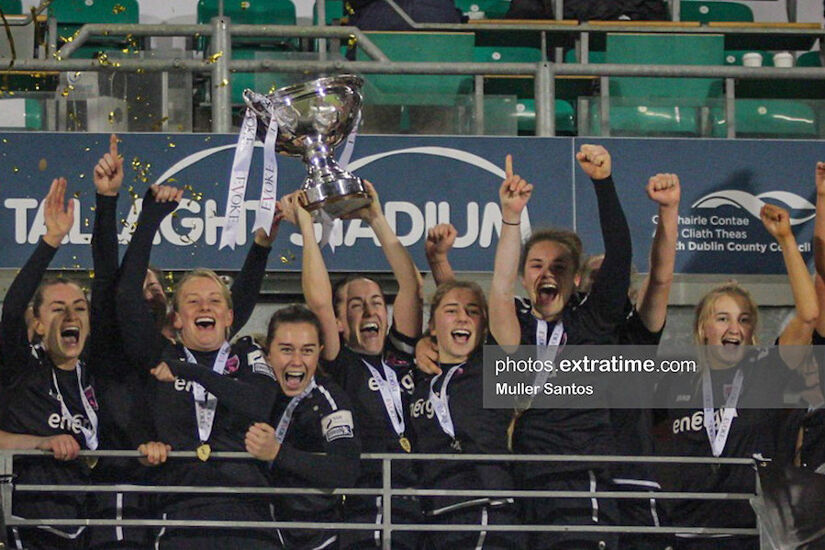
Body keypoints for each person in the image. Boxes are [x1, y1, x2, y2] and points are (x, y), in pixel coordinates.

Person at [115, 184, 280, 550]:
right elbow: (126, 296)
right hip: (180, 518)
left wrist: (189, 371)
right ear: (176, 318)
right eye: (193, 301)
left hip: (250, 518)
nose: (204, 307)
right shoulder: (160, 357)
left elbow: (258, 405)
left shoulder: (248, 354)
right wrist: (150, 219)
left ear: (229, 317)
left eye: (213, 301)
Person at [489, 146, 631, 549]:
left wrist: (603, 184)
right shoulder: (517, 325)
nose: (547, 274)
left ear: (574, 279)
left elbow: (620, 253)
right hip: (526, 478)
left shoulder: (594, 319)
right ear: (523, 277)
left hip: (581, 476)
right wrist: (511, 218)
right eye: (536, 265)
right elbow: (498, 288)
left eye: (559, 267)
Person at [662, 204, 818, 550]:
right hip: (686, 533)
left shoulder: (766, 371)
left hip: (751, 533)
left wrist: (787, 239)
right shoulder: (676, 380)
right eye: (723, 318)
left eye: (744, 320)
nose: (735, 328)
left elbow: (808, 316)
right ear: (703, 328)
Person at [284, 183, 423, 549]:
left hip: (420, 499)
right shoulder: (340, 361)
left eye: (377, 302)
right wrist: (307, 231)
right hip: (368, 500)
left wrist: (376, 218)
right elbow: (318, 303)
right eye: (357, 304)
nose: (370, 310)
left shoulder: (402, 353)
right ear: (341, 321)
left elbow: (411, 286)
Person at [585, 173, 680, 550]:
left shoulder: (636, 334)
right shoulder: (566, 336)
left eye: (611, 275)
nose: (603, 282)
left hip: (633, 484)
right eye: (594, 276)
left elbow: (660, 278)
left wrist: (668, 210)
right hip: (580, 485)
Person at [410, 280, 523, 549]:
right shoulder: (418, 378)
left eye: (473, 311)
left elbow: (503, 288)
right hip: (434, 515)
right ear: (433, 326)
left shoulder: (493, 369)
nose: (462, 317)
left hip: (485, 507)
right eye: (451, 310)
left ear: (484, 326)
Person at [245, 305, 361, 549]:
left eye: (307, 351)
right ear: (268, 353)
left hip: (317, 538)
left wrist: (277, 453)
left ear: (319, 353)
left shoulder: (329, 400)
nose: (297, 361)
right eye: (286, 350)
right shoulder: (254, 393)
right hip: (262, 534)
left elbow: (345, 469)